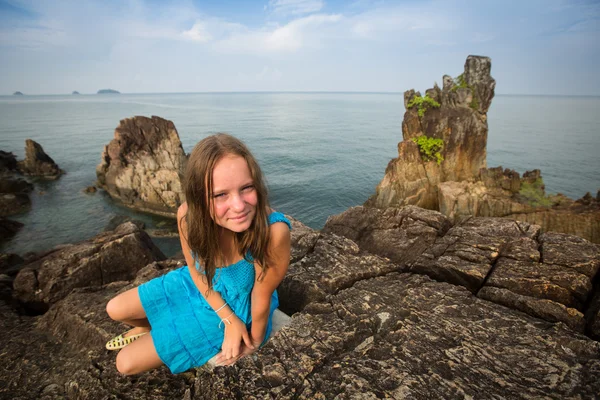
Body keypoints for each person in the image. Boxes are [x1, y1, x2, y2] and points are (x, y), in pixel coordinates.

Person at [105, 133, 291, 375]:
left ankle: (159, 328)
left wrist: (253, 342)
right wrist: (228, 320)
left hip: (242, 304)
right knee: (114, 309)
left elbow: (261, 298)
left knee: (125, 364)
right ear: (199, 196)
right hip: (202, 284)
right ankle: (153, 326)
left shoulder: (273, 232)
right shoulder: (188, 217)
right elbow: (195, 270)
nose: (238, 206)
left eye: (246, 188)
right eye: (220, 194)